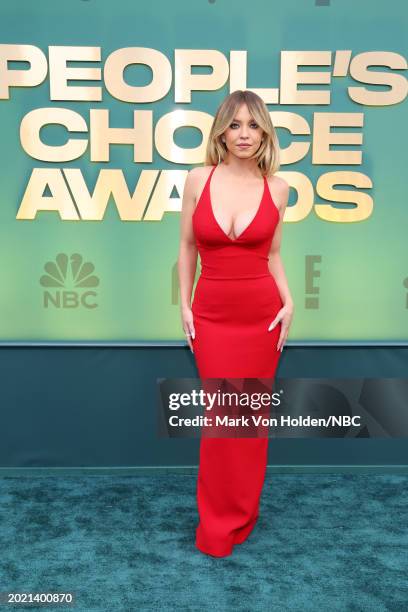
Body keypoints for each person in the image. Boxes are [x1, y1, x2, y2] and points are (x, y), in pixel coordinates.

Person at [177, 90, 294, 557]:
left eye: (252, 125)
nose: (243, 134)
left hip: (262, 315)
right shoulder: (197, 179)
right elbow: (187, 247)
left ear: (264, 132)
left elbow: (275, 253)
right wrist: (183, 306)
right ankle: (216, 524)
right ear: (220, 132)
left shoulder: (279, 187)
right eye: (234, 125)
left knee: (248, 420)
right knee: (221, 417)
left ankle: (242, 514)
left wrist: (290, 303)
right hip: (211, 313)